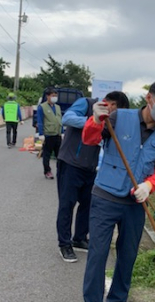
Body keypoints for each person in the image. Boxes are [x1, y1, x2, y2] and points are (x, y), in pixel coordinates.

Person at [80, 80, 155, 302]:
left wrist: (149, 185)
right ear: (149, 98)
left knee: (127, 255)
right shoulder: (117, 117)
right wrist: (96, 120)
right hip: (105, 196)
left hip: (135, 203)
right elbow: (90, 139)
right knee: (98, 254)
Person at [56, 91, 130, 263]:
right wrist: (94, 120)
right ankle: (64, 244)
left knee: (87, 204)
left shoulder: (110, 120)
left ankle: (79, 238)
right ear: (111, 105)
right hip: (70, 163)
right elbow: (67, 118)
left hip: (90, 166)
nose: (115, 117)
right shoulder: (87, 103)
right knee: (67, 205)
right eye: (116, 112)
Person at [37, 87, 63, 180]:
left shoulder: (57, 107)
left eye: (56, 96)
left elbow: (60, 120)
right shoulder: (42, 107)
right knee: (47, 155)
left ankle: (61, 171)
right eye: (53, 95)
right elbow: (40, 121)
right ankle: (47, 171)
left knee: (60, 155)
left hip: (57, 134)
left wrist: (62, 132)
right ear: (47, 96)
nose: (54, 97)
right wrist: (41, 134)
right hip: (48, 134)